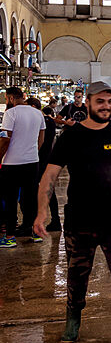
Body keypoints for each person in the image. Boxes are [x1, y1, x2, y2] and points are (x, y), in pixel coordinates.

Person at [34, 81, 111, 343]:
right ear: (87, 103)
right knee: (77, 274)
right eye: (100, 102)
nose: (106, 107)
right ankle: (73, 319)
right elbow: (49, 176)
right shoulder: (71, 136)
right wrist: (41, 213)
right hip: (79, 220)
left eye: (110, 102)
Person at [0, 87, 45, 247]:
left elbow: (5, 139)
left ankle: (10, 237)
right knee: (31, 198)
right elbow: (41, 138)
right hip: (32, 163)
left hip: (11, 164)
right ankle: (35, 233)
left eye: (6, 99)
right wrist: (32, 152)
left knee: (10, 200)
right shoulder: (37, 113)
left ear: (11, 98)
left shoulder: (10, 114)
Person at [28, 99, 61, 232]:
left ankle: (32, 222)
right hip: (46, 159)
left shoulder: (40, 121)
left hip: (38, 160)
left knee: (34, 191)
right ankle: (55, 220)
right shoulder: (50, 121)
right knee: (48, 191)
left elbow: (39, 141)